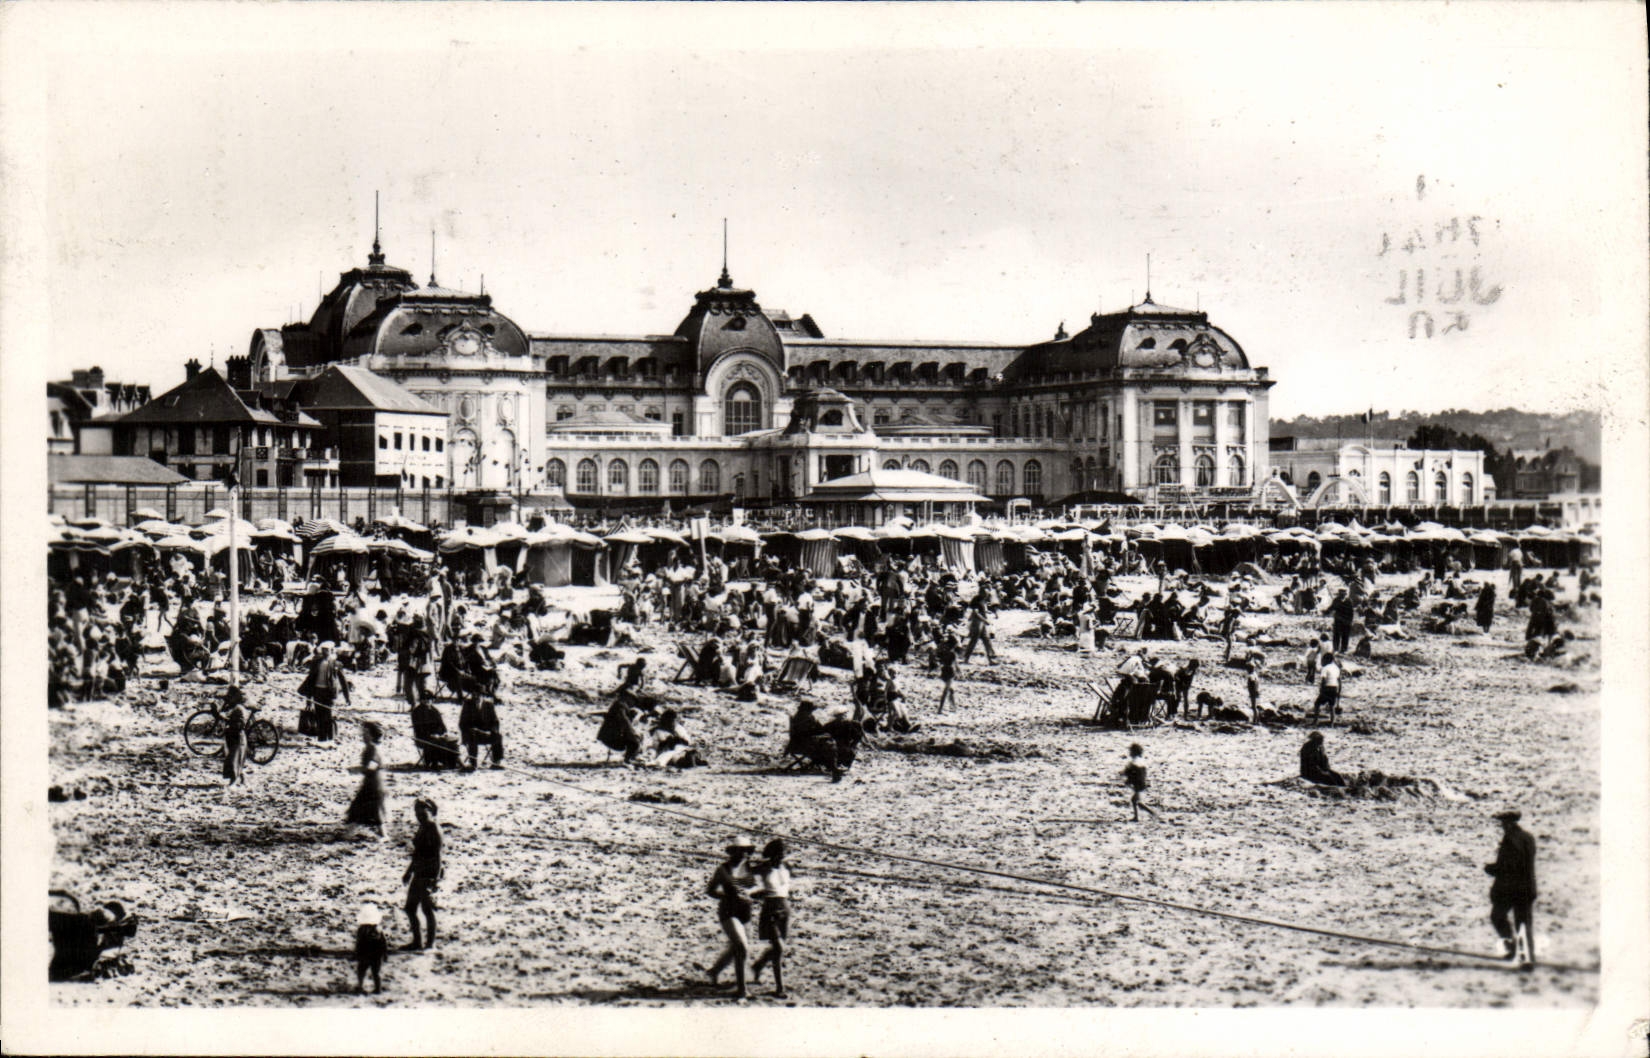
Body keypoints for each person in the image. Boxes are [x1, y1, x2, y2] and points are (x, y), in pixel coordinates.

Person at [705, 837, 757, 1000]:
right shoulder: (723, 869)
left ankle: (713, 971)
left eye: (746, 850)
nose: (743, 854)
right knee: (741, 947)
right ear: (732, 852)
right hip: (729, 911)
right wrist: (728, 895)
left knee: (736, 949)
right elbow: (711, 890)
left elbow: (759, 888)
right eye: (739, 850)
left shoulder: (751, 868)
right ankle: (742, 990)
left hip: (746, 912)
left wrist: (755, 895)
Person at [1485, 809, 1537, 969]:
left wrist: (1491, 869)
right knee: (1523, 923)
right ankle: (1527, 958)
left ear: (1508, 823)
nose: (1502, 826)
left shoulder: (1510, 840)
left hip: (1510, 888)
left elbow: (1509, 866)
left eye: (1503, 823)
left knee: (1497, 916)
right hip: (1527, 887)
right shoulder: (1528, 838)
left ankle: (1512, 947)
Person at [749, 838, 793, 999]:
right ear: (772, 855)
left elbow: (784, 887)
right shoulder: (764, 867)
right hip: (770, 909)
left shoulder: (788, 867)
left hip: (785, 908)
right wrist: (754, 893)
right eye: (778, 854)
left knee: (777, 948)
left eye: (783, 854)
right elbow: (743, 872)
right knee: (779, 948)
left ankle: (758, 966)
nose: (781, 857)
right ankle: (779, 987)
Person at [402, 796, 443, 950]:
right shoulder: (423, 827)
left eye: (423, 815)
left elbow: (439, 857)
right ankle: (417, 942)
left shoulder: (434, 829)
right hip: (419, 872)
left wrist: (435, 880)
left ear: (431, 813)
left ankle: (430, 944)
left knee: (427, 909)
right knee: (410, 908)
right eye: (417, 815)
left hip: (429, 874)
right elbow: (417, 853)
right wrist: (408, 872)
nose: (419, 818)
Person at [297, 642, 349, 742]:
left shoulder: (336, 664)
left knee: (328, 715)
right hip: (317, 690)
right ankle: (321, 738)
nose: (325, 651)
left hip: (329, 692)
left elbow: (343, 681)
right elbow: (311, 679)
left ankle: (329, 738)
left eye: (327, 649)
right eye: (323, 649)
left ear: (332, 650)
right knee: (319, 715)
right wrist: (309, 697)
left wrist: (347, 697)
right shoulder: (316, 662)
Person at [345, 721, 387, 837]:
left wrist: (358, 770)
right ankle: (349, 833)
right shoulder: (370, 748)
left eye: (366, 733)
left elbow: (372, 765)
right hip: (371, 783)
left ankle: (383, 835)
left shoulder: (373, 749)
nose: (363, 735)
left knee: (370, 809)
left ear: (372, 735)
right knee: (361, 808)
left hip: (374, 784)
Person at [354, 903, 388, 994]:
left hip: (365, 953)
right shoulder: (378, 930)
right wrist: (384, 954)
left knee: (361, 970)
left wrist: (357, 953)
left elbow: (359, 942)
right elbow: (383, 943)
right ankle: (378, 988)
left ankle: (360, 987)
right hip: (376, 954)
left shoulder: (362, 929)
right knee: (375, 972)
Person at [220, 686, 249, 787]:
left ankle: (233, 781)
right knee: (237, 760)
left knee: (233, 760)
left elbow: (238, 724)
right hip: (236, 736)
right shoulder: (238, 707)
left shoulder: (238, 709)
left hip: (237, 737)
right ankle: (242, 779)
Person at [1123, 743, 1157, 821]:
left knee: (1138, 801)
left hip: (1137, 783)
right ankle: (1137, 817)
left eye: (1130, 751)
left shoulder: (1134, 762)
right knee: (1135, 800)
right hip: (1141, 782)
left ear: (1133, 752)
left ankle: (1152, 813)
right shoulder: (1141, 761)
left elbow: (1129, 771)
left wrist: (1127, 777)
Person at [961, 596, 998, 665]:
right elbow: (976, 613)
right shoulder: (977, 605)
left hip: (980, 623)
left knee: (986, 640)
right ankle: (966, 658)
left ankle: (991, 659)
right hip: (977, 623)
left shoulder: (980, 604)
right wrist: (985, 620)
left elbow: (974, 614)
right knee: (976, 641)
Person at [1312, 651, 1341, 725]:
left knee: (1317, 703)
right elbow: (1339, 680)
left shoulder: (1325, 668)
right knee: (1332, 705)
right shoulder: (1336, 668)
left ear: (1327, 660)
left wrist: (1321, 689)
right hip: (1335, 687)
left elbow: (1323, 680)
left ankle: (1315, 720)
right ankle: (1332, 722)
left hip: (1327, 687)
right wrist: (1339, 691)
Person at [935, 629, 958, 714]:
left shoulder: (942, 652)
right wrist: (960, 673)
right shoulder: (952, 653)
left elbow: (938, 660)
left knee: (950, 689)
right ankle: (940, 709)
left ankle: (953, 707)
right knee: (946, 691)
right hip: (950, 671)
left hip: (943, 671)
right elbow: (956, 664)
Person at [1328, 590, 1356, 656]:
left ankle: (1344, 650)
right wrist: (1326, 611)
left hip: (1346, 621)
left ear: (1345, 594)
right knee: (1336, 635)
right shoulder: (1336, 600)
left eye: (1343, 594)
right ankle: (1336, 649)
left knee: (1345, 636)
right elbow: (1332, 607)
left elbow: (1351, 612)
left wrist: (1350, 621)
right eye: (1340, 594)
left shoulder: (1349, 601)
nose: (1342, 595)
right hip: (1338, 621)